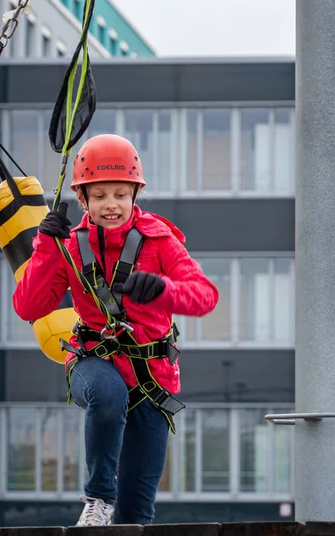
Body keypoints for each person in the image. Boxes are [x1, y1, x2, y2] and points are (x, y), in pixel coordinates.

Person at [12, 134, 219, 526]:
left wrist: (163, 290)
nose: (112, 205)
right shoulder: (70, 246)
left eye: (121, 195)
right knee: (107, 397)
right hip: (96, 359)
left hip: (153, 382)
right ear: (83, 199)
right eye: (101, 195)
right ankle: (98, 498)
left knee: (137, 513)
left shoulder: (160, 241)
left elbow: (205, 296)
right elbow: (29, 306)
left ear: (135, 195)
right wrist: (45, 247)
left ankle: (117, 511)